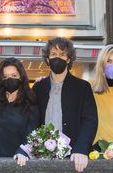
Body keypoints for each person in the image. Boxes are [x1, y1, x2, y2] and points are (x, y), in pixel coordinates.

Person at [33, 37, 98, 172]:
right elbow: (32, 120)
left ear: (69, 59)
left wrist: (81, 148)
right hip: (42, 156)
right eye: (53, 54)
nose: (58, 58)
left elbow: (90, 120)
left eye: (62, 54)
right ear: (47, 58)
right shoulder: (38, 88)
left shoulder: (82, 87)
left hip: (73, 155)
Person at [0, 57, 39, 166]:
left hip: (19, 162)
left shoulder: (30, 105)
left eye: (14, 76)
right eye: (5, 77)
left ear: (22, 77)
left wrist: (23, 152)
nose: (9, 79)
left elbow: (32, 135)